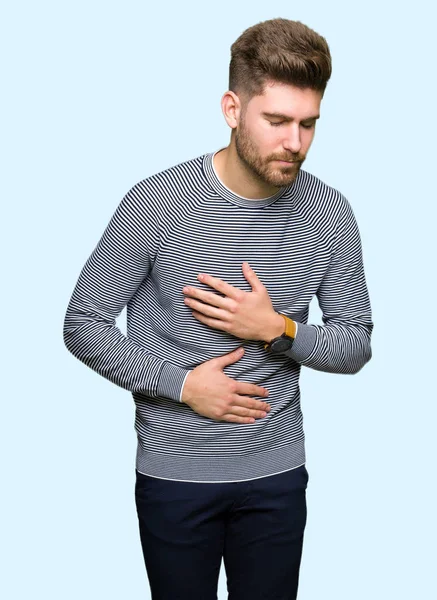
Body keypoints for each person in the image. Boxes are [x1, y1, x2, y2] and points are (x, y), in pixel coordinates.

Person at [63, 17, 373, 600]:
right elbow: (83, 324)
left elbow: (355, 342)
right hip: (175, 479)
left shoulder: (329, 212)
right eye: (276, 121)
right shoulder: (161, 200)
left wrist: (279, 330)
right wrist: (181, 385)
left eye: (309, 124)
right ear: (232, 109)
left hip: (276, 480)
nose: (295, 142)